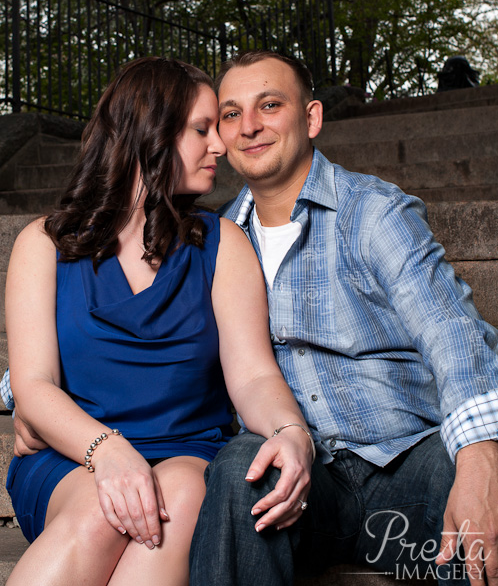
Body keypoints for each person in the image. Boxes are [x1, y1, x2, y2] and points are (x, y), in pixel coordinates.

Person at [187, 51, 498, 586]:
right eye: (232, 113)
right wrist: (29, 389)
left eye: (269, 105)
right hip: (298, 477)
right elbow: (147, 331)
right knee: (242, 469)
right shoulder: (214, 241)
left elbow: (449, 327)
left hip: (407, 458)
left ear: (311, 118)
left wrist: (479, 456)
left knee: (476, 493)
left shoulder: (373, 212)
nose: (250, 126)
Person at [3, 56, 313, 586]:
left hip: (187, 454)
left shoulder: (223, 244)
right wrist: (108, 451)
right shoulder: (42, 244)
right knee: (101, 510)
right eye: (202, 130)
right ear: (149, 134)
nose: (221, 145)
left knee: (180, 497)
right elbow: (32, 386)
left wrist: (292, 432)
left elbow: (255, 376)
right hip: (72, 457)